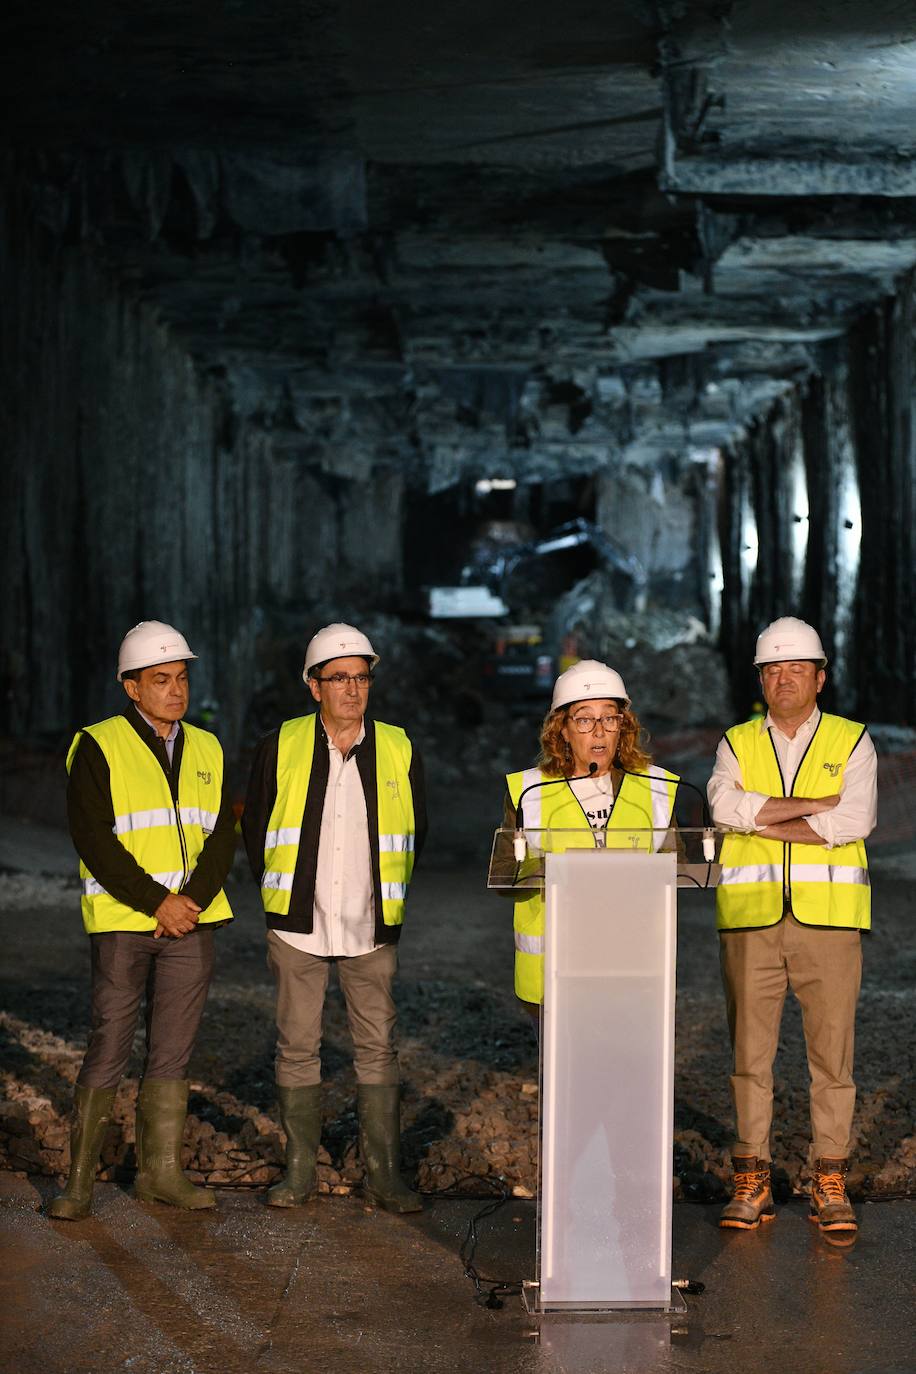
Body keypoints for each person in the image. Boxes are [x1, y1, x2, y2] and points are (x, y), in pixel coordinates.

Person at [48, 621, 237, 1220]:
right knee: (109, 1044)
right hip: (127, 920)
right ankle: (79, 1183)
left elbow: (223, 836)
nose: (175, 691)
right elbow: (94, 840)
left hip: (191, 923)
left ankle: (160, 1175)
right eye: (161, 680)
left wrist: (191, 902)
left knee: (173, 1055)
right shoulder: (98, 746)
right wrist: (158, 901)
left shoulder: (207, 746)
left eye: (181, 678)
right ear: (131, 687)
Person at [242, 623, 427, 1213]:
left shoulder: (398, 746)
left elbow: (417, 829)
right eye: (339, 678)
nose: (352, 689)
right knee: (297, 1045)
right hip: (299, 923)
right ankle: (299, 1174)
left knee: (378, 1046)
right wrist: (279, 896)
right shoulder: (281, 744)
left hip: (371, 925)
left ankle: (384, 1175)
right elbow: (255, 829)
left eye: (361, 677)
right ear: (314, 686)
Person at [708, 617, 877, 1243]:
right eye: (773, 670)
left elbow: (856, 821)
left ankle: (828, 1179)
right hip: (750, 921)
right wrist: (815, 806)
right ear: (760, 678)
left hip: (828, 922)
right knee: (749, 1058)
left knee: (832, 1060)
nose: (784, 679)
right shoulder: (735, 742)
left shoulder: (853, 740)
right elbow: (723, 808)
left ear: (820, 677)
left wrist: (761, 819)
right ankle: (751, 1176)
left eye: (797, 669)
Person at [499, 660, 680, 1014]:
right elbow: (506, 874)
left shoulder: (657, 788)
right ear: (562, 730)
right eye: (584, 719)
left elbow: (679, 869)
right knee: (561, 1069)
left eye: (609, 717)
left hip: (632, 967)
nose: (599, 731)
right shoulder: (529, 791)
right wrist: (563, 870)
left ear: (622, 727)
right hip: (553, 972)